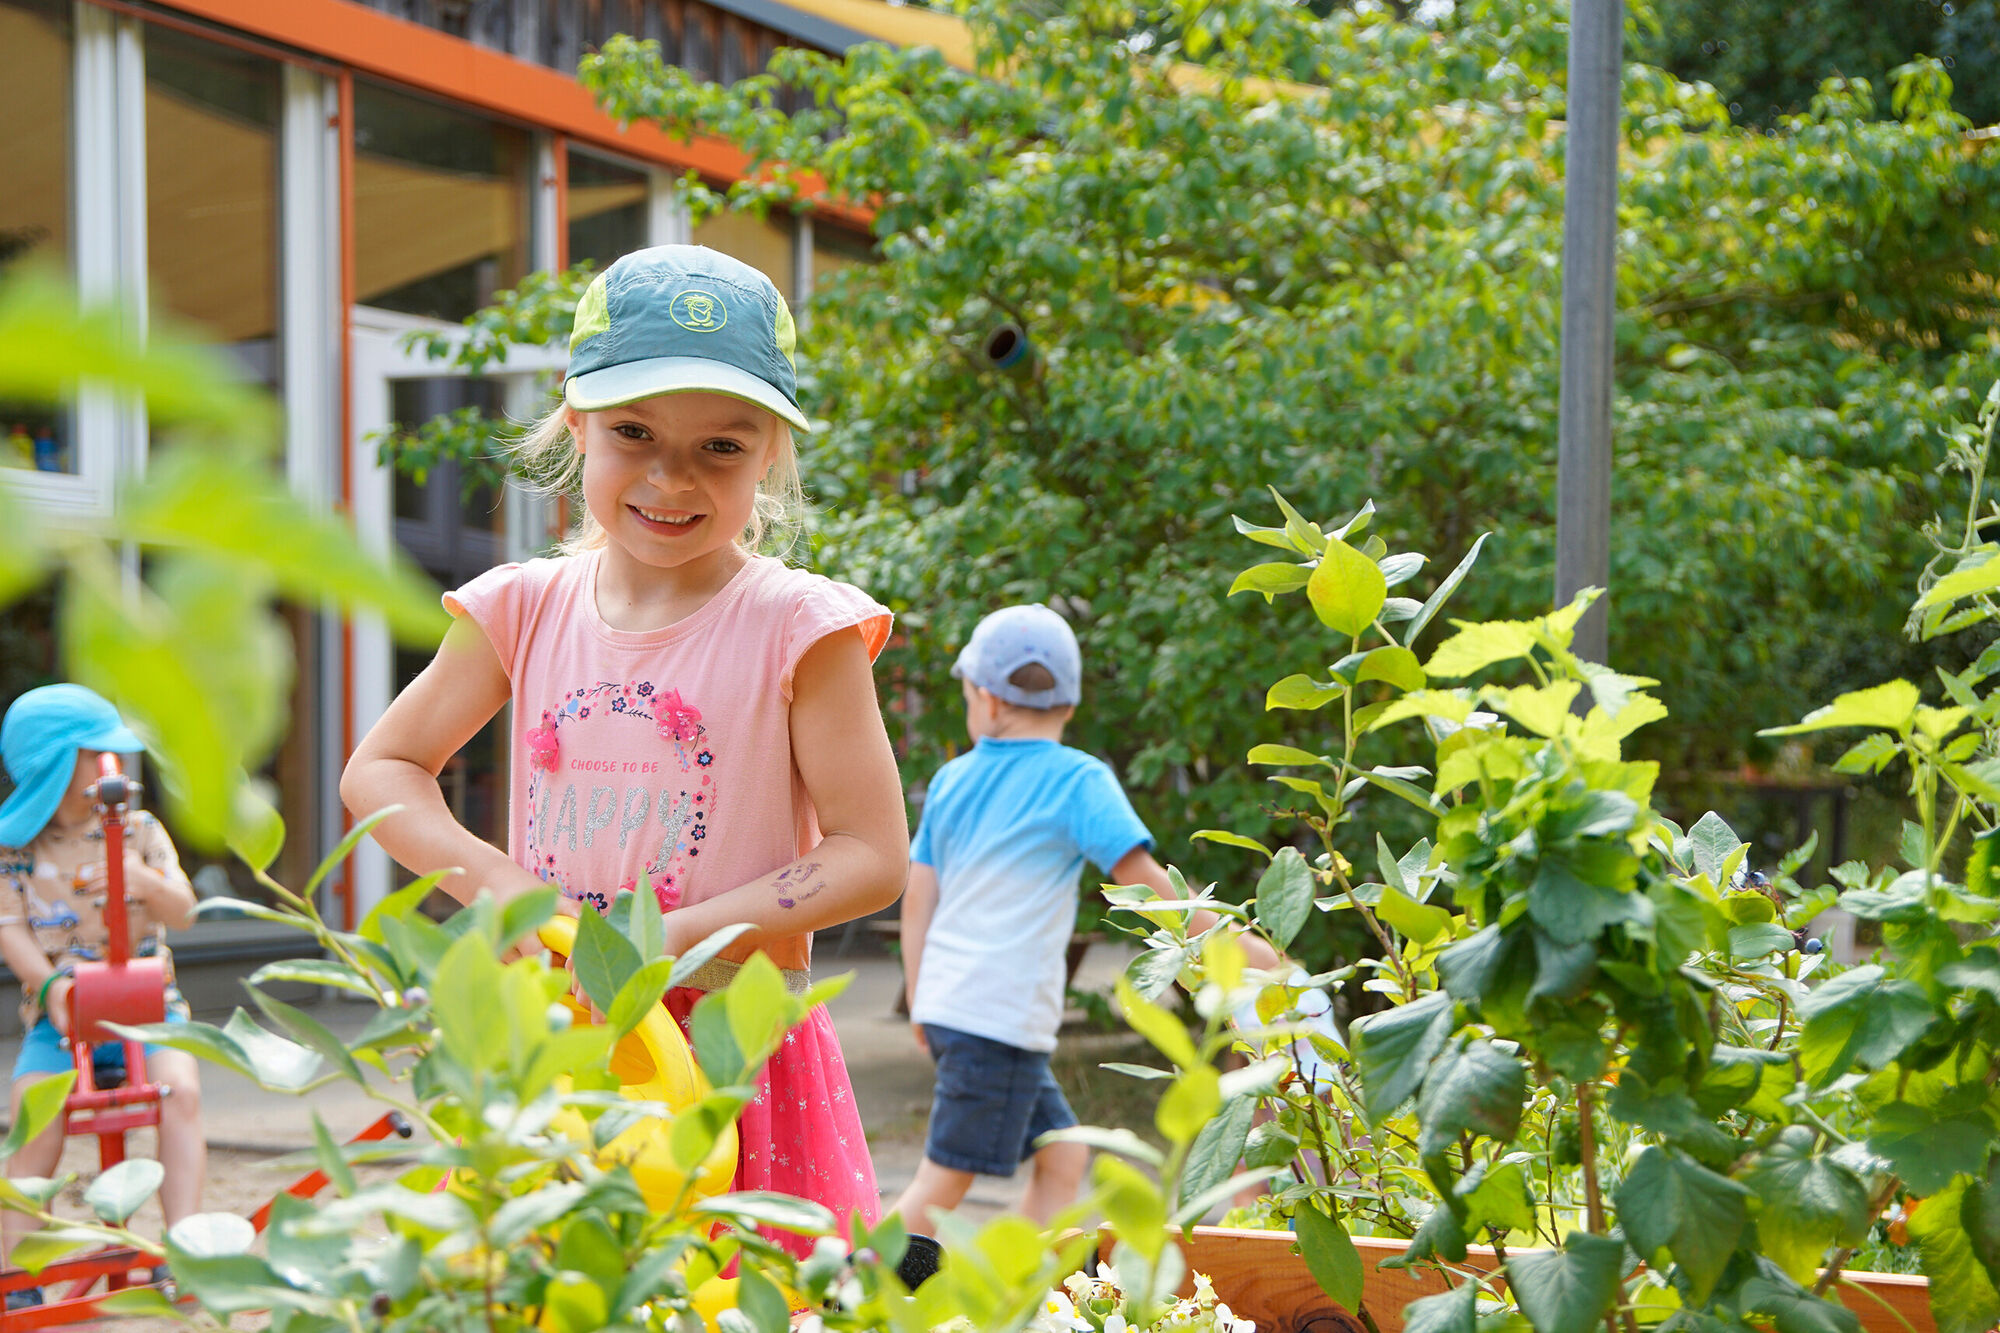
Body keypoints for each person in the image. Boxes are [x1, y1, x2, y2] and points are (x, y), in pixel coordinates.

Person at [341, 245, 907, 1250]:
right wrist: (505, 892)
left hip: (737, 1051)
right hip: (565, 1046)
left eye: (720, 448)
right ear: (575, 424)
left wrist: (670, 941)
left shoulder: (799, 626)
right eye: (633, 433)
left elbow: (870, 854)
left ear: (771, 450)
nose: (670, 477)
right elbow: (381, 771)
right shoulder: (517, 605)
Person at [891, 605, 1280, 1229]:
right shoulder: (1079, 780)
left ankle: (1025, 1296)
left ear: (987, 702)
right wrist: (1246, 950)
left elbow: (920, 894)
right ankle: (853, 1295)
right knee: (943, 1180)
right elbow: (1148, 887)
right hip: (998, 1017)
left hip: (961, 1008)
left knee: (1063, 1155)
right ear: (1068, 706)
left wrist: (918, 992)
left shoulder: (951, 780)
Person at [0, 685, 203, 1309]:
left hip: (150, 1007)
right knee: (34, 1113)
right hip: (63, 1018)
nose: (111, 767)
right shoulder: (16, 848)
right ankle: (16, 1273)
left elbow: (186, 911)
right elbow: (9, 928)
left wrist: (143, 879)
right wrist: (51, 985)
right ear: (59, 765)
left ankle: (183, 1250)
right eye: (98, 755)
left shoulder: (139, 829)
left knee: (182, 1092)